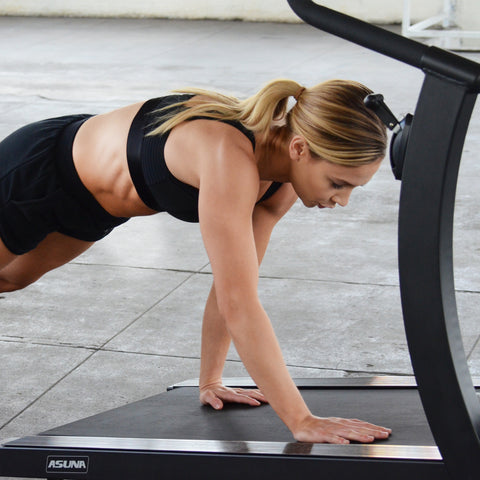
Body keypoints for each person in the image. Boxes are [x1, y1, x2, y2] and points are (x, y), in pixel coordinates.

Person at [0, 78, 391, 444]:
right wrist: (301, 421)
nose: (341, 200)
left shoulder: (280, 184)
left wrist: (212, 380)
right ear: (300, 148)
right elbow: (239, 306)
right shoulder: (228, 156)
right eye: (338, 184)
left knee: (12, 279)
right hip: (40, 171)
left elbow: (235, 287)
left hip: (93, 208)